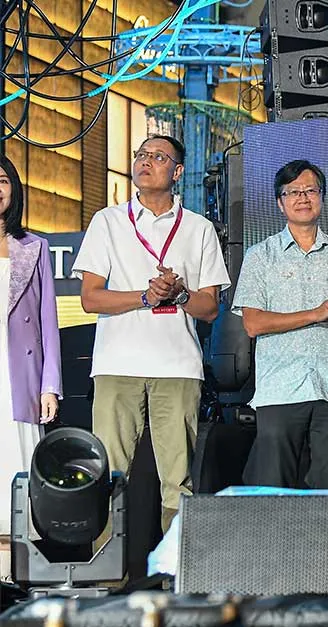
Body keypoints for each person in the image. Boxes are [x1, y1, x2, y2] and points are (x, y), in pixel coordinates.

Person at [73, 135, 230, 531]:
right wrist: (145, 296)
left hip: (177, 366)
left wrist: (178, 295)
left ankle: (175, 579)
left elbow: (210, 307)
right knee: (106, 476)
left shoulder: (198, 229)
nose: (145, 161)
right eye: (141, 154)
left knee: (178, 483)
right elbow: (91, 298)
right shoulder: (107, 221)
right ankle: (104, 579)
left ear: (177, 172)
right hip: (116, 363)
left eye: (158, 156)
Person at [234, 160, 328, 490]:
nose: (302, 197)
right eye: (293, 192)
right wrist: (317, 312)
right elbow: (253, 324)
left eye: (310, 190)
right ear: (280, 202)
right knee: (273, 489)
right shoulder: (260, 255)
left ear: (322, 197)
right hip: (280, 388)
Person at [0, 155, 61, 535]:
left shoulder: (33, 247)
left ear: (14, 190)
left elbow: (48, 323)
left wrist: (49, 386)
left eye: (2, 180)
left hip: (16, 374)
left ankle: (12, 574)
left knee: (14, 477)